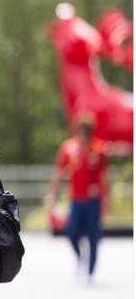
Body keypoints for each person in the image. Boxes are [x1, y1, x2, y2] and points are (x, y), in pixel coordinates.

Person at [45, 112, 109, 284]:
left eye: (87, 130)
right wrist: (53, 195)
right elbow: (60, 173)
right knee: (71, 232)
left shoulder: (100, 149)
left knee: (94, 235)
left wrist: (106, 201)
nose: (84, 133)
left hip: (94, 200)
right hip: (76, 199)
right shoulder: (69, 148)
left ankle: (91, 271)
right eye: (82, 129)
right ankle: (81, 257)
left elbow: (104, 177)